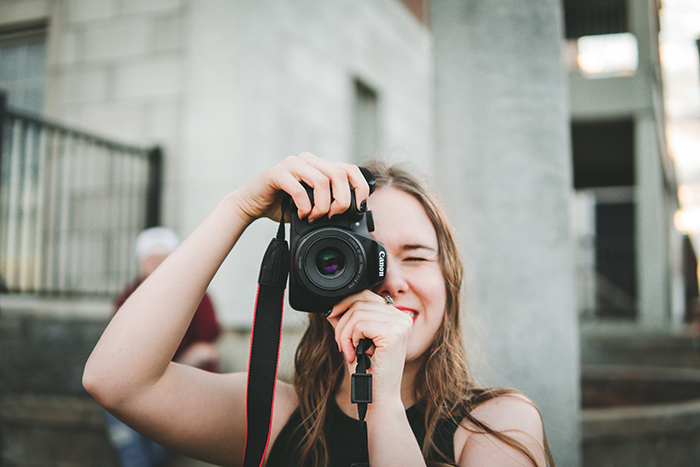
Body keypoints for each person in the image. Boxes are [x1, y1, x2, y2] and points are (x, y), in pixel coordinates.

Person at [84, 153, 554, 466]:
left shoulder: (497, 425)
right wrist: (239, 208)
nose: (390, 281)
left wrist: (383, 403)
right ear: (314, 276)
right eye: (357, 257)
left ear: (450, 278)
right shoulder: (276, 415)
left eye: (415, 255)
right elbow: (117, 382)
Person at [102, 227, 222, 467]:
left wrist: (181, 362)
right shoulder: (130, 295)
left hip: (183, 384)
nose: (157, 266)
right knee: (116, 406)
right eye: (151, 261)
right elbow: (116, 349)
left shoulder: (195, 292)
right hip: (139, 382)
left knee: (157, 438)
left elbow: (206, 348)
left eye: (164, 260)